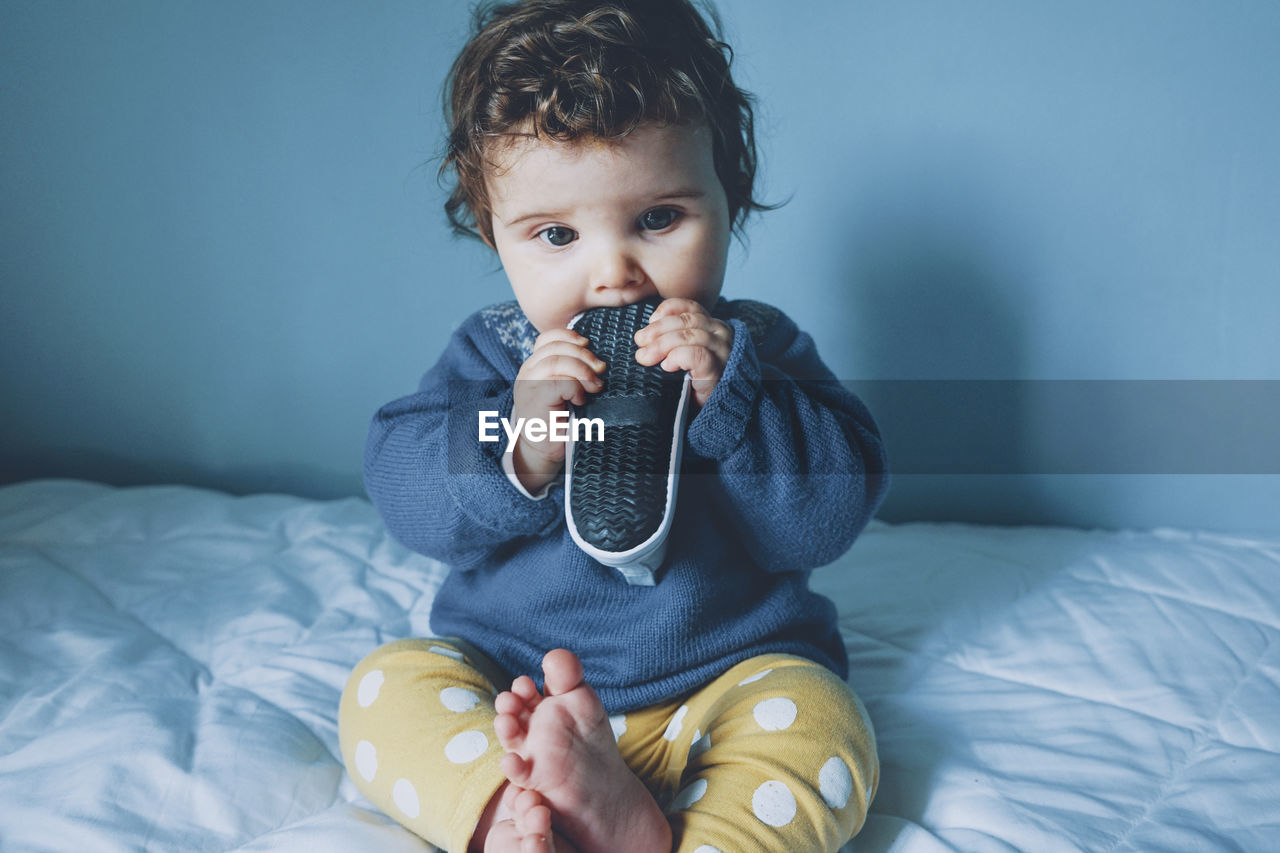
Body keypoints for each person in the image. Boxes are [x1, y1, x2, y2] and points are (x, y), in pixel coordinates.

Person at [339, 1, 889, 851]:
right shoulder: (496, 358)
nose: (614, 276)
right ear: (494, 236)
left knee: (823, 719)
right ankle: (514, 819)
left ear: (726, 200)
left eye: (658, 219)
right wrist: (518, 447)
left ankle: (689, 837)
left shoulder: (756, 350)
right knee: (384, 687)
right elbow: (404, 489)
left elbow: (828, 512)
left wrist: (734, 403)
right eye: (557, 234)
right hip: (523, 694)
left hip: (723, 685)